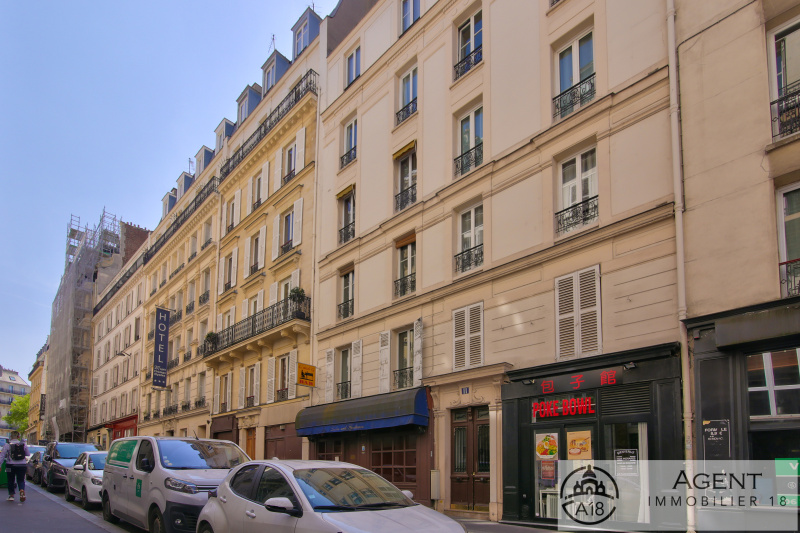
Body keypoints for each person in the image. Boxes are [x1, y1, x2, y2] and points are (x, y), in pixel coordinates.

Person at [0, 431, 29, 502]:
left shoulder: (7, 445)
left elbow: (2, 456)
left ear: (11, 437)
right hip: (22, 465)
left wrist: (0, 465)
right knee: (21, 479)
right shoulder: (23, 444)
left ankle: (11, 495)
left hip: (10, 465)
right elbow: (28, 454)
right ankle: (21, 490)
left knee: (10, 479)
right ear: (18, 437)